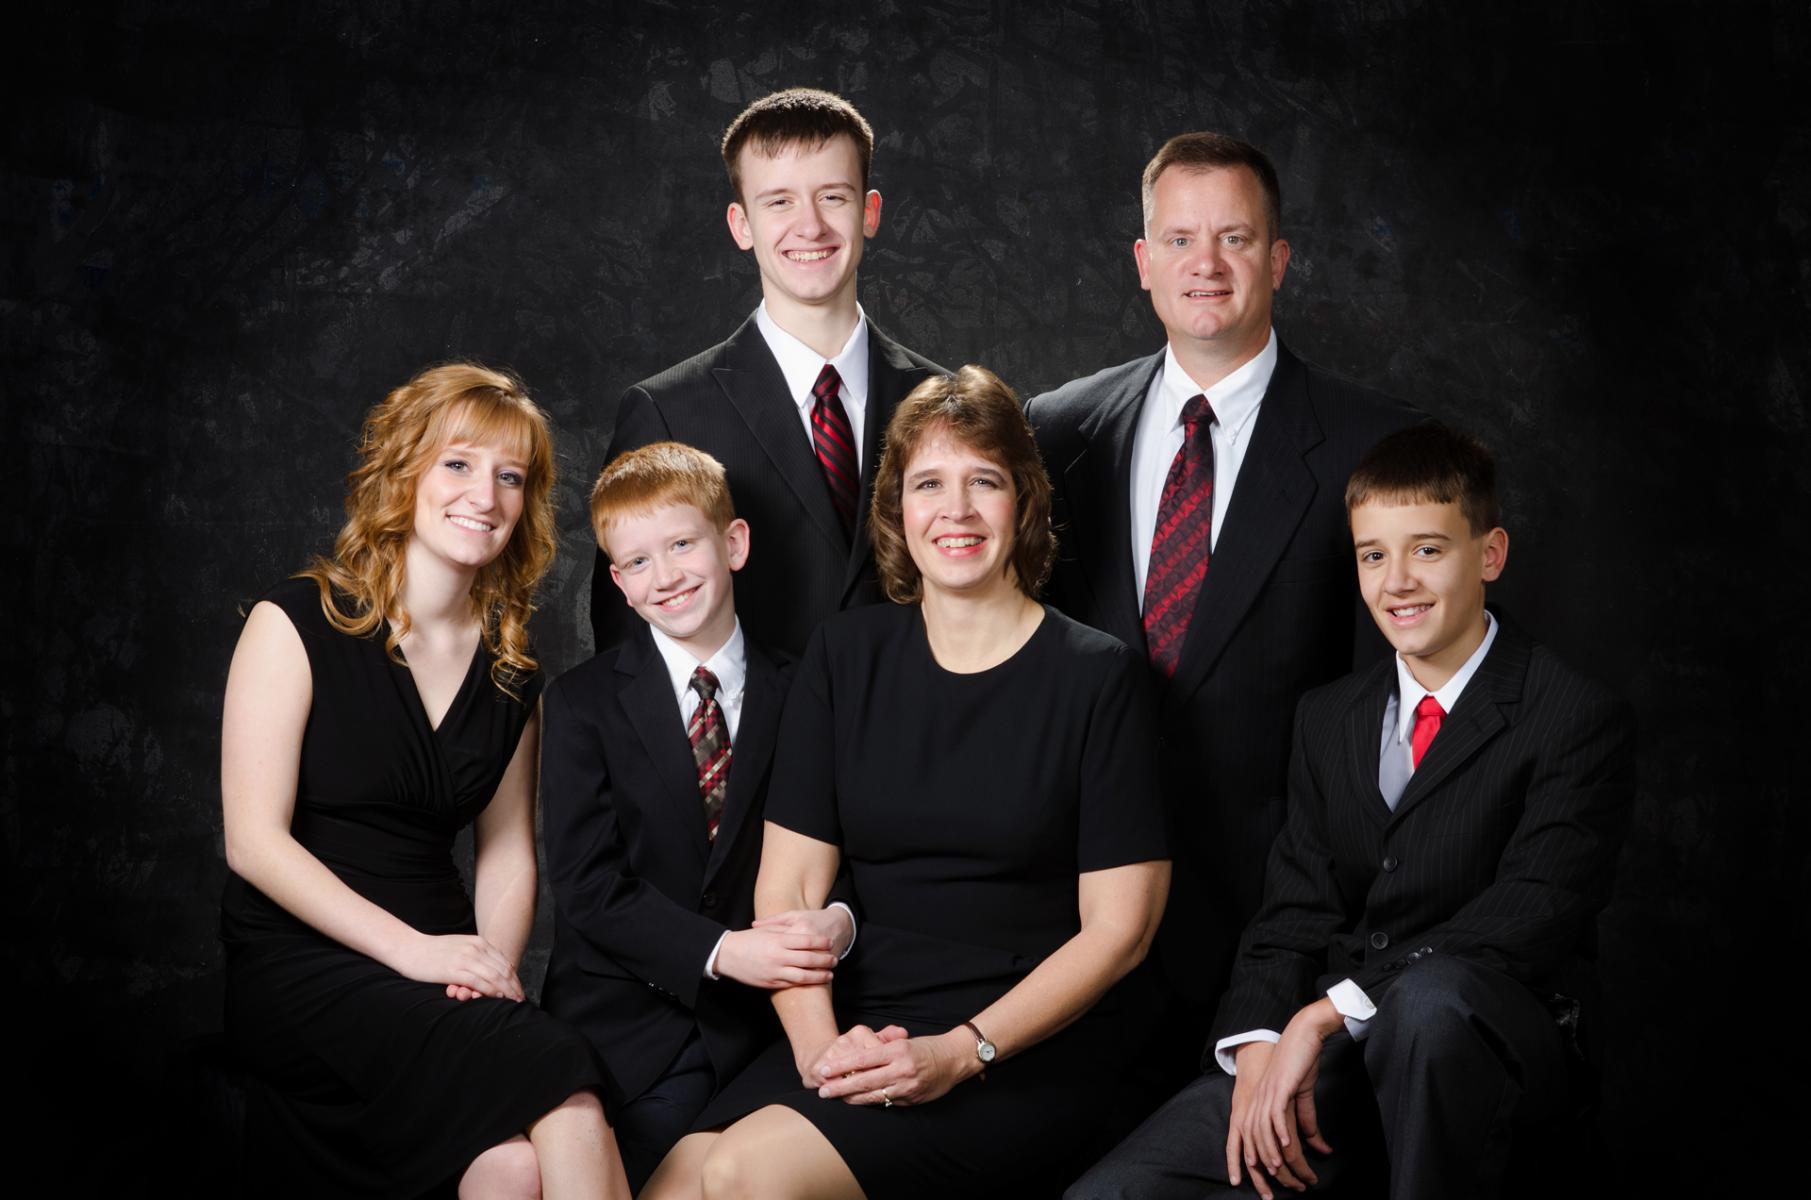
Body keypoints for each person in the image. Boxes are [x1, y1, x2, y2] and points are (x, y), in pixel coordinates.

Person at [639, 365, 1172, 1199]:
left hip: (1017, 1044)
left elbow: (1120, 934)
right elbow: (788, 890)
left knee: (746, 1174)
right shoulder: (844, 656)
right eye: (928, 483)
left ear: (1023, 503)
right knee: (678, 1180)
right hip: (855, 1019)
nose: (955, 511)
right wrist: (822, 1054)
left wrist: (959, 1051)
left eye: (983, 482)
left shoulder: (1099, 678)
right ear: (894, 508)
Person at [1068, 423, 1636, 1200]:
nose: (1396, 580)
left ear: (1490, 555)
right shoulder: (1328, 717)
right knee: (1115, 1194)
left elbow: (1529, 912)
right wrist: (1263, 1039)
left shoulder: (1571, 713)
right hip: (1342, 1049)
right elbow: (1294, 908)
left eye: (1427, 549)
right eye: (1374, 555)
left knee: (1432, 1006)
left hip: (1487, 1045)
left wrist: (1327, 1015)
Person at [1025, 131, 1421, 1086]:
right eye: (1178, 240)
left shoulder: (1373, 445)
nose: (1204, 265)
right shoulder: (1056, 428)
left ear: (1278, 260)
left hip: (1274, 918)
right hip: (1071, 910)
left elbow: (1396, 704)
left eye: (1234, 239)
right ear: (1142, 262)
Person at [219, 363, 627, 1198]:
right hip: (303, 962)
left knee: (512, 1170)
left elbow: (509, 852)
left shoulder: (513, 668)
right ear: (404, 475)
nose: (486, 493)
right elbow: (252, 844)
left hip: (442, 960)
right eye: (459, 464)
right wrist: (413, 953)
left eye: (510, 477)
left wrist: (490, 972)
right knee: (563, 1078)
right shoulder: (295, 620)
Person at [540, 442, 859, 1190]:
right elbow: (588, 887)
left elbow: (858, 848)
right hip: (616, 1026)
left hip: (761, 1029)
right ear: (618, 583)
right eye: (639, 562)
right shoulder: (582, 704)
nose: (668, 576)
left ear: (733, 543)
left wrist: (837, 923)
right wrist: (722, 950)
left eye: (683, 544)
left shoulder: (809, 690)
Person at [591, 86, 947, 659]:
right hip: (752, 745)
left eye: (833, 196)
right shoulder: (667, 410)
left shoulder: (941, 399)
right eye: (779, 202)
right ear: (741, 224)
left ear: (871, 211)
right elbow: (626, 645)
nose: (810, 227)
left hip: (919, 738)